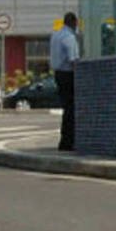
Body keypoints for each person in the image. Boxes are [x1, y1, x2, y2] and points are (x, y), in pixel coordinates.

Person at [50, 11, 80, 150]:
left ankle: (64, 140)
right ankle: (68, 141)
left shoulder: (56, 35)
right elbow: (73, 59)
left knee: (66, 108)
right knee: (72, 109)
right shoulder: (69, 37)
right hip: (68, 74)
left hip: (58, 73)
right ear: (74, 23)